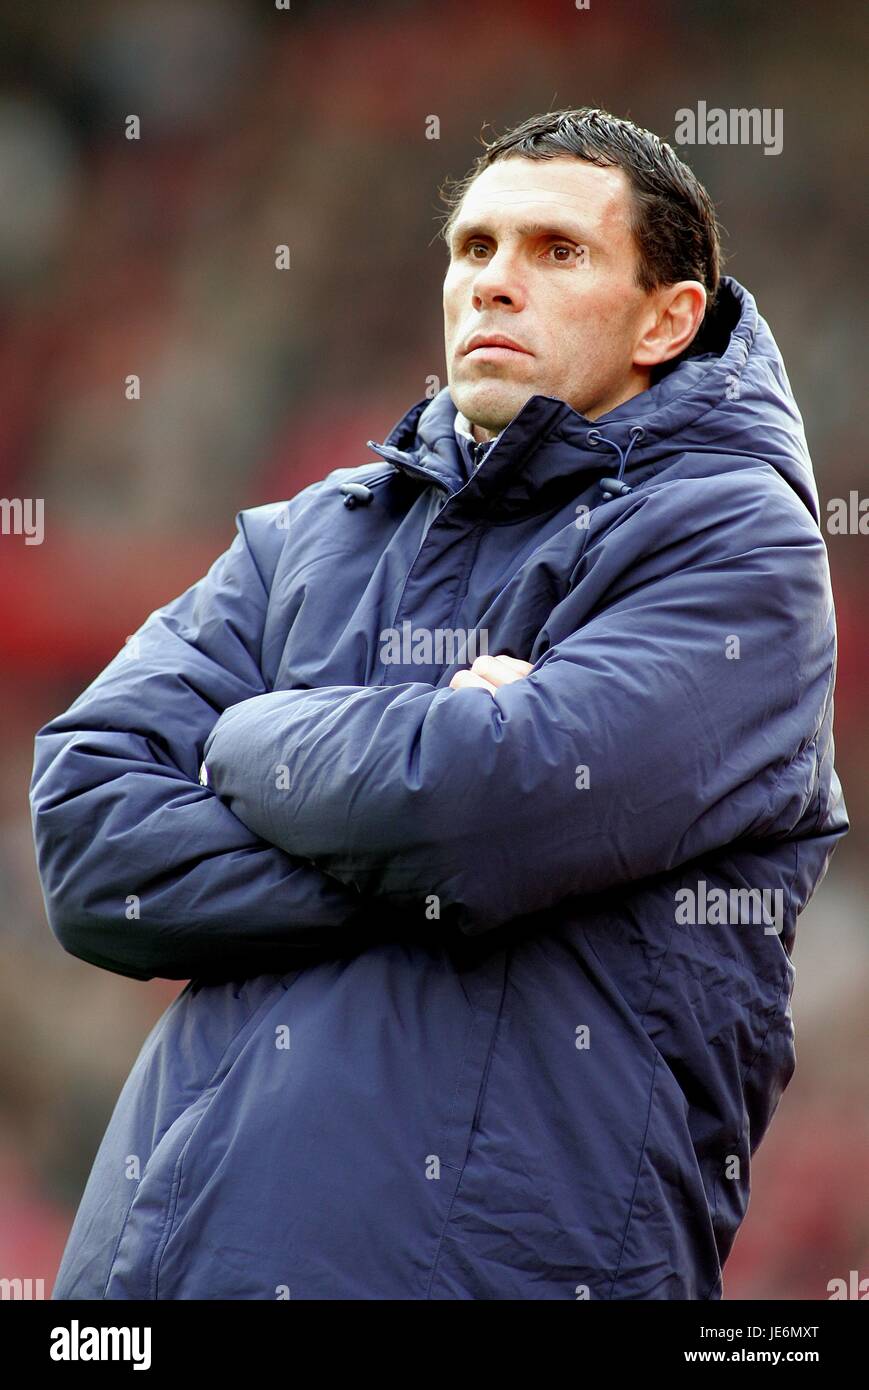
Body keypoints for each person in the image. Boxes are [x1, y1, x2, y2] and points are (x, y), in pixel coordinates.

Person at [30, 107, 848, 1300]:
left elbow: (484, 808)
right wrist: (417, 833)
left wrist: (248, 740)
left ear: (667, 317)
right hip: (152, 1279)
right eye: (473, 249)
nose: (494, 283)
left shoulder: (737, 542)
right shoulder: (310, 530)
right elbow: (90, 839)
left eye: (555, 252)